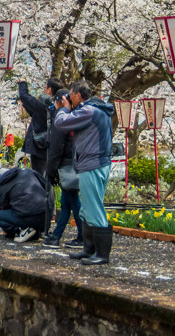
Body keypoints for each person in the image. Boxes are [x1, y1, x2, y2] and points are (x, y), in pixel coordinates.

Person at [52, 80, 116, 265]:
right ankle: (88, 249)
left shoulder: (88, 111)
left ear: (79, 95)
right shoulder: (96, 110)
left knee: (94, 208)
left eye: (70, 94)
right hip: (94, 163)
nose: (69, 98)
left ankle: (102, 254)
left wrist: (63, 108)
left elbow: (61, 123)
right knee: (87, 209)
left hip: (93, 164)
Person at [42, 88, 84, 248]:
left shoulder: (63, 120)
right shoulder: (75, 116)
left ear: (60, 101)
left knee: (73, 201)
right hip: (73, 163)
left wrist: (50, 172)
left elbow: (56, 147)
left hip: (66, 166)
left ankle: (82, 236)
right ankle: (56, 236)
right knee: (66, 202)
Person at [0, 166, 48, 242]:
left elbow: (4, 207)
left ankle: (21, 230)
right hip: (45, 216)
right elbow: (45, 185)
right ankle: (35, 231)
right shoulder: (28, 171)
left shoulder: (3, 184)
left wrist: (8, 232)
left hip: (28, 216)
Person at [17, 77, 63, 174]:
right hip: (53, 146)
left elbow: (24, 96)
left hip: (40, 146)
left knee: (40, 177)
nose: (43, 90)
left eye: (45, 87)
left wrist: (23, 83)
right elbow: (35, 114)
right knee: (48, 178)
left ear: (49, 90)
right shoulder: (61, 107)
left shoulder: (44, 106)